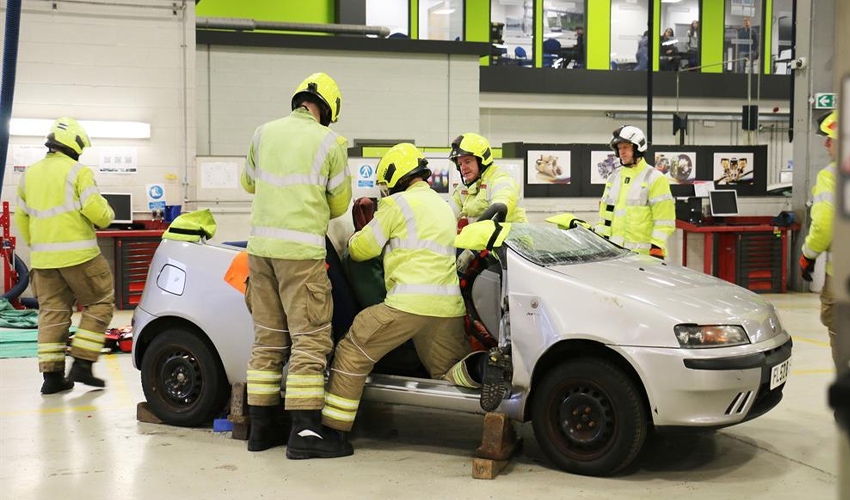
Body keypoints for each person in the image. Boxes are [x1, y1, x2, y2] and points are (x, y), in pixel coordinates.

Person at [304, 143, 488, 459]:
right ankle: (482, 368)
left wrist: (353, 239)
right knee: (448, 370)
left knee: (352, 350)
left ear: (395, 176)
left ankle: (334, 432)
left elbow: (365, 249)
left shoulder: (396, 205)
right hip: (446, 308)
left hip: (407, 304)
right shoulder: (444, 206)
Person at [241, 72, 352, 456]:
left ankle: (261, 430)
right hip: (301, 256)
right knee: (309, 340)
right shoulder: (330, 142)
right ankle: (304, 435)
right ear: (328, 109)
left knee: (268, 339)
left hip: (259, 253)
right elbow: (339, 205)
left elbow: (249, 184)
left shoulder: (262, 132)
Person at [15, 117, 115, 395]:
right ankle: (82, 363)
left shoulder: (29, 175)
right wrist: (108, 215)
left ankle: (52, 378)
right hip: (81, 258)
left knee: (52, 314)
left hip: (43, 261)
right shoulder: (78, 172)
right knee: (100, 303)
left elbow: (21, 218)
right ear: (75, 144)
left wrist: (39, 245)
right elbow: (98, 213)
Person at [595, 125, 675, 258]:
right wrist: (599, 242)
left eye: (625, 147)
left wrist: (656, 247)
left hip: (645, 257)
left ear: (638, 147)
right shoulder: (613, 177)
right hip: (614, 255)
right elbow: (604, 216)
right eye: (619, 148)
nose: (621, 152)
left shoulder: (655, 178)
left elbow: (664, 219)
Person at [800, 111, 839, 368]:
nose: (826, 143)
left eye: (830, 138)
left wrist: (808, 255)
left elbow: (824, 225)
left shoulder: (832, 175)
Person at [449, 132, 527, 229]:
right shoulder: (463, 188)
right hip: (485, 240)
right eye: (460, 164)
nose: (463, 168)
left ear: (482, 160)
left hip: (512, 240)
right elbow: (448, 212)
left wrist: (500, 204)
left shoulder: (500, 178)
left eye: (468, 161)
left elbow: (504, 198)